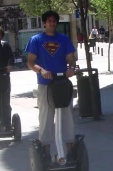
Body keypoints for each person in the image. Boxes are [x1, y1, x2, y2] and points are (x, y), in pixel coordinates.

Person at [26, 10, 78, 160]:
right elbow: (30, 62)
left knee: (67, 117)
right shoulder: (36, 40)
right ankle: (46, 153)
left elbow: (70, 58)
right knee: (46, 118)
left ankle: (70, 151)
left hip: (62, 83)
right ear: (44, 23)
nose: (52, 23)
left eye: (54, 21)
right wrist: (41, 70)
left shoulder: (63, 39)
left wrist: (71, 68)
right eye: (49, 20)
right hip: (45, 84)